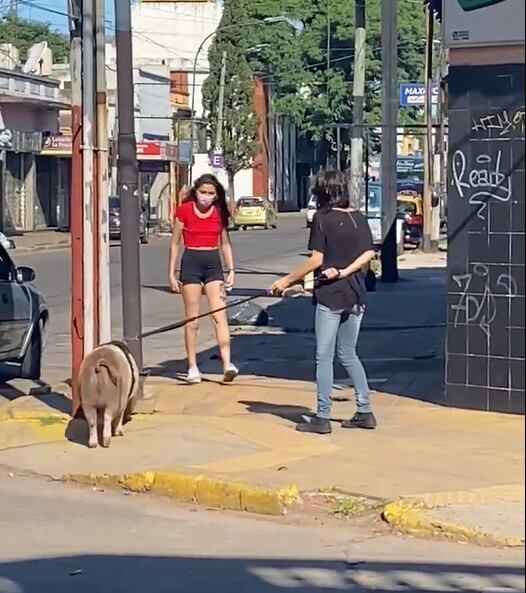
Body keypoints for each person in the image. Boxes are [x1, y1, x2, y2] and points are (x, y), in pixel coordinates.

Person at [270, 170, 376, 434]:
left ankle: (322, 416)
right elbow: (368, 254)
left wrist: (287, 280)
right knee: (349, 353)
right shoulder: (359, 217)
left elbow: (317, 259)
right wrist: (345, 271)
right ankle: (365, 410)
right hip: (356, 294)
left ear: (322, 192)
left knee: (324, 356)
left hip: (331, 295)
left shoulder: (323, 218)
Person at [169, 174, 238, 384]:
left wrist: (231, 269)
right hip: (191, 261)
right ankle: (192, 367)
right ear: (196, 192)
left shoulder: (218, 213)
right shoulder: (185, 211)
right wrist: (171, 273)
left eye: (211, 193)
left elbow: (224, 243)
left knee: (219, 315)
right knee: (193, 320)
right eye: (203, 192)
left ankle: (227, 364)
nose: (206, 197)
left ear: (216, 196)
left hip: (212, 263)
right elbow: (174, 243)